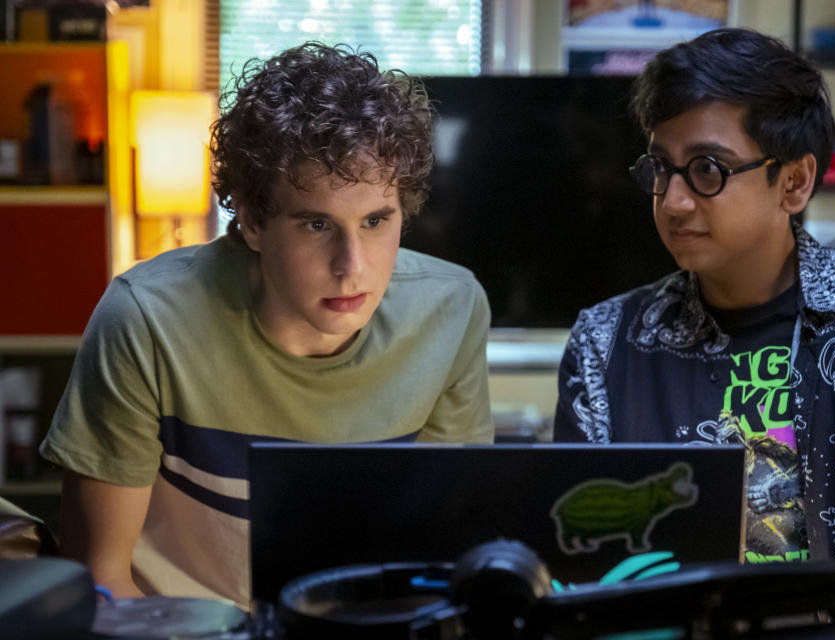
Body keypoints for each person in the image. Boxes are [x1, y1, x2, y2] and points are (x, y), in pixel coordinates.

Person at [39, 42, 494, 608]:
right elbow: (99, 576)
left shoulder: (452, 309)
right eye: (315, 224)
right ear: (252, 221)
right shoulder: (145, 318)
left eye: (376, 221)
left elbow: (447, 552)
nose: (352, 266)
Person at [554, 27, 835, 602]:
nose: (672, 201)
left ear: (794, 182)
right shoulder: (605, 342)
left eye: (707, 169)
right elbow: (583, 566)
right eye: (661, 168)